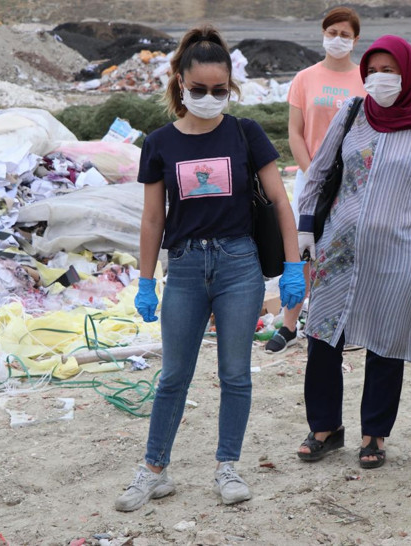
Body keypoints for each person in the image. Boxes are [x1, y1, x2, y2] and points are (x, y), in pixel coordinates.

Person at [114, 25, 305, 512]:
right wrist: (143, 280)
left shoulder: (246, 133)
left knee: (235, 373)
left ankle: (227, 467)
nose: (209, 98)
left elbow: (281, 203)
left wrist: (291, 266)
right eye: (199, 89)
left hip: (239, 264)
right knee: (174, 375)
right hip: (183, 268)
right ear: (179, 81)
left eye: (219, 91)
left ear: (230, 88)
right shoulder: (159, 144)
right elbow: (154, 217)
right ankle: (153, 469)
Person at [294, 35, 411, 469]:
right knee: (323, 335)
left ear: (409, 73)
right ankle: (324, 428)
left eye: (389, 70)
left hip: (400, 254)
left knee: (387, 344)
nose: (379, 78)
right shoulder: (352, 113)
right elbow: (320, 171)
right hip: (338, 249)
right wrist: (306, 227)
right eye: (372, 70)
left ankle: (374, 435)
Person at [264, 6, 367, 354]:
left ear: (355, 40)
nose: (337, 39)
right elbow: (295, 132)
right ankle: (290, 324)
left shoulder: (364, 78)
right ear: (323, 34)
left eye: (345, 34)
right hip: (311, 180)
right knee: (302, 249)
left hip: (354, 181)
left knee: (347, 251)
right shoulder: (305, 78)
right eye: (332, 32)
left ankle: (344, 326)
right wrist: (312, 173)